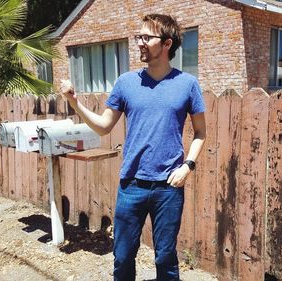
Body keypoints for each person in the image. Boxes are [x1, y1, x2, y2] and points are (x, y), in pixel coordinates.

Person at [60, 13, 206, 281]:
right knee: (123, 255)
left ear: (167, 44)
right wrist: (74, 103)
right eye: (139, 36)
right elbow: (104, 125)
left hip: (168, 188)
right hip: (131, 185)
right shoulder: (126, 82)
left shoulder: (188, 85)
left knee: (165, 256)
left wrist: (188, 166)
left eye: (146, 37)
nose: (140, 42)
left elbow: (200, 133)